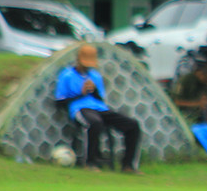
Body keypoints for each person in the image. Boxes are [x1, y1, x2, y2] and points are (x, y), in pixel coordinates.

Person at [55, 43, 142, 173]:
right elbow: (60, 102)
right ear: (78, 59)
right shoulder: (67, 75)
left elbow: (101, 99)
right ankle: (90, 162)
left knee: (132, 125)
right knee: (94, 123)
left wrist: (94, 90)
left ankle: (128, 165)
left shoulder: (95, 76)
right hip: (80, 108)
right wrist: (81, 93)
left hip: (100, 109)